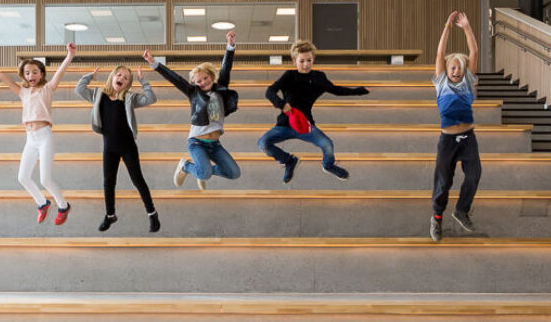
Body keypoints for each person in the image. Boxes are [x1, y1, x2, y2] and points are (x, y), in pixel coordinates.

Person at [0, 44, 75, 225]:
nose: (31, 76)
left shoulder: (48, 89)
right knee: (23, 177)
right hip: (30, 138)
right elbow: (3, 77)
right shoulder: (22, 91)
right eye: (27, 73)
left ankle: (63, 206)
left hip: (44, 136)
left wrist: (70, 55)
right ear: (24, 76)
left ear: (42, 73)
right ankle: (42, 203)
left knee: (45, 179)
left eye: (35, 72)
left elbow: (60, 71)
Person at [260, 40, 370, 183]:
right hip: (285, 124)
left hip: (306, 124)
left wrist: (362, 90)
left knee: (327, 144)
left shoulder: (319, 77)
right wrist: (281, 104)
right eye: (301, 61)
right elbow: (270, 91)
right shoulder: (289, 76)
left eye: (309, 60)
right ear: (294, 61)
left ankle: (328, 165)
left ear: (313, 60)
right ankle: (289, 161)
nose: (306, 64)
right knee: (263, 144)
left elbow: (337, 90)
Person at [144, 30, 241, 190]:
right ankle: (186, 166)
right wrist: (154, 63)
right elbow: (174, 78)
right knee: (205, 174)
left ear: (211, 76)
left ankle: (201, 171)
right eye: (198, 81)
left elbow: (226, 68)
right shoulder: (193, 93)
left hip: (215, 144)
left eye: (205, 78)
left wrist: (230, 46)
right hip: (197, 142)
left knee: (234, 173)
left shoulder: (221, 88)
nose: (203, 82)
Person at [75, 64, 161, 232]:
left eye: (126, 78)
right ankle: (110, 215)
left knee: (138, 180)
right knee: (108, 182)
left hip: (128, 146)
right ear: (112, 77)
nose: (121, 78)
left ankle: (152, 213)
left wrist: (143, 81)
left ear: (128, 84)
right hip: (109, 147)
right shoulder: (98, 94)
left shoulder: (129, 97)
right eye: (119, 75)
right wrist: (89, 77)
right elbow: (79, 89)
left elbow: (151, 99)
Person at [429, 10, 481, 242]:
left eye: (460, 67)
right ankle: (437, 217)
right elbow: (440, 53)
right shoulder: (441, 82)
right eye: (452, 67)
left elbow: (474, 52)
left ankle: (461, 210)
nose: (456, 70)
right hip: (448, 140)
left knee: (474, 174)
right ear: (446, 71)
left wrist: (467, 28)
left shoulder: (469, 81)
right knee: (444, 181)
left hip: (468, 137)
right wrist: (448, 28)